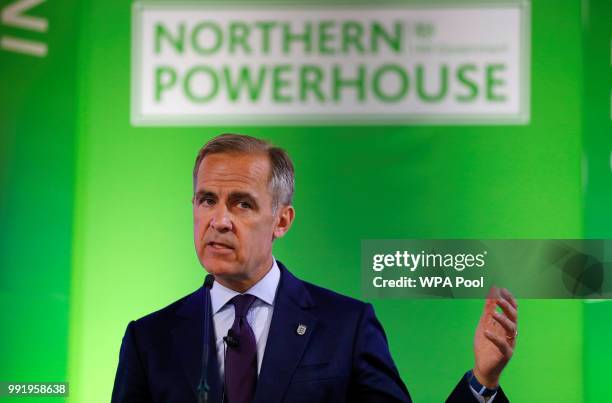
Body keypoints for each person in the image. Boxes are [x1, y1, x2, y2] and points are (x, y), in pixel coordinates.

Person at [111, 133, 518, 403]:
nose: (219, 219)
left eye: (242, 203)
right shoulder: (149, 340)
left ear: (282, 221)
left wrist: (482, 382)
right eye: (206, 200)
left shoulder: (346, 326)